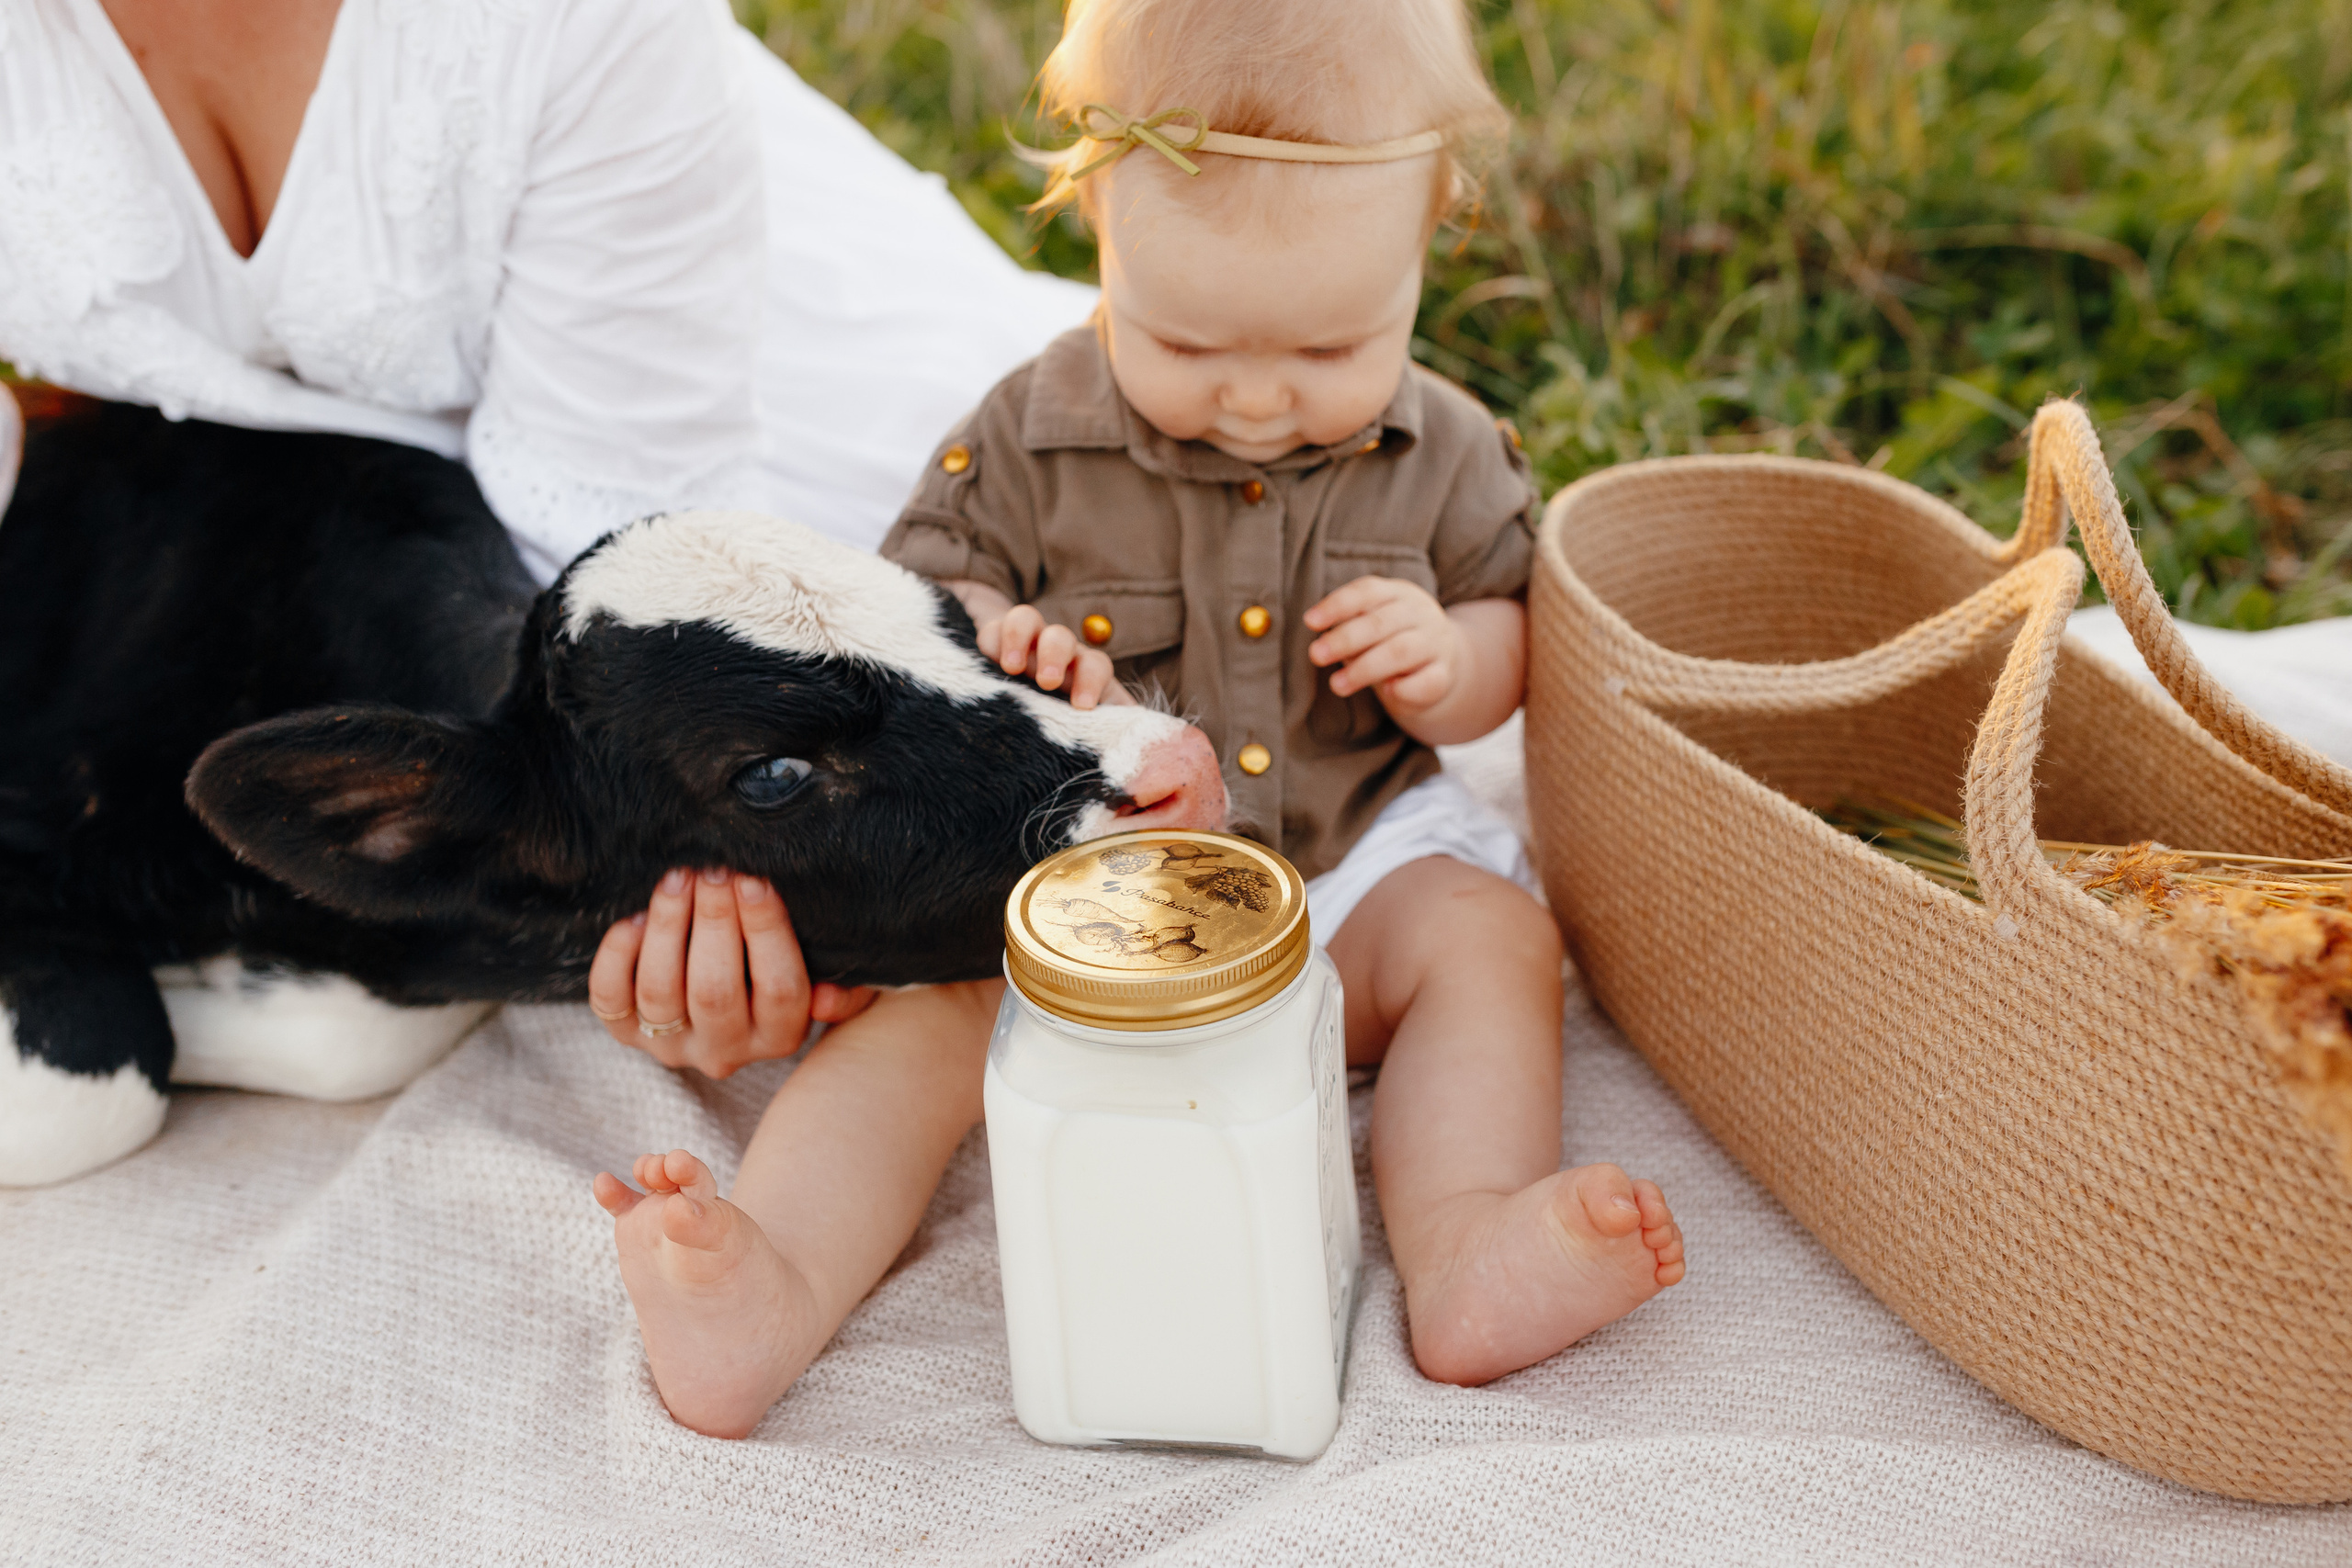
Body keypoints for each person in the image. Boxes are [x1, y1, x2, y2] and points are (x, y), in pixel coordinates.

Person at [594, 0, 1684, 1437]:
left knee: (1492, 941)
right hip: (1077, 906)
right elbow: (920, 614)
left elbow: (1504, 629)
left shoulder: (1447, 447)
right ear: (1096, 217)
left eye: (1332, 347)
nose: (1256, 395)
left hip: (1349, 875)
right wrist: (995, 643)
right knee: (924, 1017)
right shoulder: (1027, 434)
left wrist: (1450, 661)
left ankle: (1469, 1234)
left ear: (1431, 239)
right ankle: (772, 1276)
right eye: (1185, 337)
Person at [2, 0, 1096, 1067]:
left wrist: (620, 900)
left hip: (746, 466)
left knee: (1017, 782)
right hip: (336, 528)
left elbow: (625, 630)